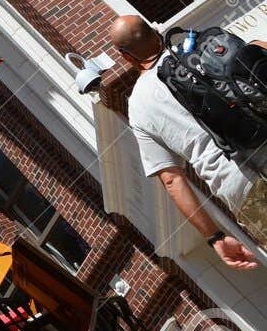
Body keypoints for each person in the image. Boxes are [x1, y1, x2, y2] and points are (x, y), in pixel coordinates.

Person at [110, 14, 267, 269]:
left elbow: (172, 179)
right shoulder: (199, 45)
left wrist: (214, 237)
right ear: (155, 31)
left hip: (240, 187)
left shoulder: (139, 106)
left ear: (126, 57)